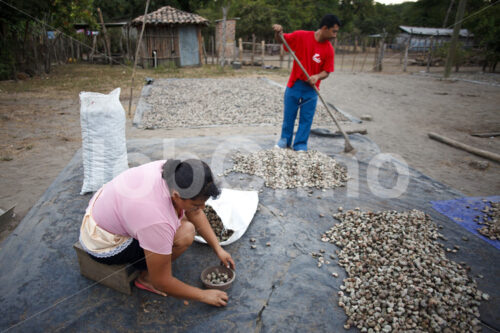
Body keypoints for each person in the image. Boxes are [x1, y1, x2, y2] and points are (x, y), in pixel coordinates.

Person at [79, 159, 235, 307]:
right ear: (176, 196)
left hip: (104, 210)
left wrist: (218, 248)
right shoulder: (156, 220)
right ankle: (146, 279)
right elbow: (162, 281)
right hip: (103, 243)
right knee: (186, 232)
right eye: (196, 204)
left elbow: (195, 213)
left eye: (203, 204)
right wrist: (203, 295)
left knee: (186, 218)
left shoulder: (173, 170)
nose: (201, 209)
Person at [273, 14, 341, 151]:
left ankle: (300, 145)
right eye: (333, 31)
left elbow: (327, 71)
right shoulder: (301, 36)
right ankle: (284, 141)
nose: (335, 35)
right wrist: (277, 32)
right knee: (289, 116)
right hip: (295, 84)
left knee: (306, 119)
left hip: (311, 89)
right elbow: (282, 40)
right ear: (324, 28)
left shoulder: (329, 50)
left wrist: (317, 76)